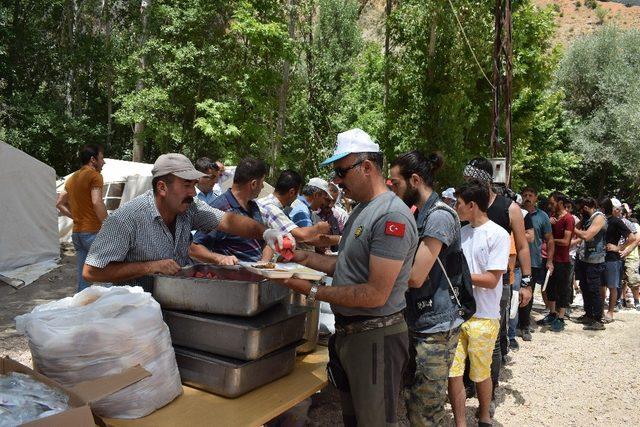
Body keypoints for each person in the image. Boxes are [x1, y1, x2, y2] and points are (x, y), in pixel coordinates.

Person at [275, 128, 418, 426]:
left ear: (367, 167)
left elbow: (374, 294)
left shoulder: (391, 216)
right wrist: (301, 257)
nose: (337, 181)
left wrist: (310, 290)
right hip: (352, 335)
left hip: (375, 337)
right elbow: (346, 265)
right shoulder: (362, 211)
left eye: (341, 171)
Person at [82, 153, 290, 290]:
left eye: (194, 185)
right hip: (137, 313)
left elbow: (228, 221)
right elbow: (91, 271)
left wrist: (267, 233)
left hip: (177, 301)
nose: (193, 192)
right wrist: (149, 267)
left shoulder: (190, 208)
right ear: (162, 188)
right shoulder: (126, 219)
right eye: (186, 185)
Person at [389, 150, 463, 426]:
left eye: (396, 183)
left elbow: (416, 276)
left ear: (415, 180)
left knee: (426, 411)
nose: (392, 188)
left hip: (436, 327)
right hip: (416, 320)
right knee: (413, 400)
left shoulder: (440, 216)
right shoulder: (418, 213)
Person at [463, 158, 531, 402]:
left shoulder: (508, 208)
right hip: (466, 286)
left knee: (493, 340)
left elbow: (523, 247)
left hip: (498, 284)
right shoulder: (465, 205)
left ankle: (488, 393)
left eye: (471, 179)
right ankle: (469, 385)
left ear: (485, 179)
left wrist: (526, 282)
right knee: (465, 335)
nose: (467, 183)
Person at [448, 180, 510, 427]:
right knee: (453, 372)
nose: (455, 207)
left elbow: (492, 279)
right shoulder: (460, 234)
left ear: (472, 205)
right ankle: (460, 422)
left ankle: (484, 414)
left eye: (459, 203)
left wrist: (457, 277)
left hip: (484, 316)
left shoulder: (498, 234)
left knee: (480, 373)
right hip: (456, 315)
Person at [190, 157, 271, 264]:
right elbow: (194, 248)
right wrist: (219, 258)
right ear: (253, 184)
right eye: (262, 182)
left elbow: (265, 242)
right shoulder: (220, 208)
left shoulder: (253, 206)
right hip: (234, 277)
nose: (263, 186)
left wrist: (264, 263)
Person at [56, 144, 108, 292]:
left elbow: (59, 203)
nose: (103, 162)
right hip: (92, 233)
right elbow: (97, 201)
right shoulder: (95, 175)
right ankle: (116, 309)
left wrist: (75, 217)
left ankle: (80, 310)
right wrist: (109, 225)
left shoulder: (72, 179)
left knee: (83, 280)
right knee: (112, 273)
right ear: (93, 160)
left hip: (77, 234)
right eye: (102, 158)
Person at [518, 186, 555, 341]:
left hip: (533, 261)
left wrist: (550, 261)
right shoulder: (516, 213)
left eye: (530, 195)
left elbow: (549, 239)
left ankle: (525, 325)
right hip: (515, 260)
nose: (527, 197)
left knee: (528, 293)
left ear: (536, 198)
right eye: (525, 195)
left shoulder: (543, 216)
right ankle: (513, 325)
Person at [256, 170, 331, 244]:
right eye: (297, 193)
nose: (297, 197)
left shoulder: (264, 202)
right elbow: (302, 236)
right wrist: (319, 228)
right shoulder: (272, 210)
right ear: (291, 192)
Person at [539, 192, 575, 332]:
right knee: (550, 287)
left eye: (552, 203)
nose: (550, 205)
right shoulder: (553, 218)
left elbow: (566, 241)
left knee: (562, 289)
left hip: (562, 260)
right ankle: (552, 313)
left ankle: (561, 317)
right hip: (550, 258)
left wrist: (551, 240)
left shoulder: (569, 219)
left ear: (560, 202)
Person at [573, 197, 607, 330]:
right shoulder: (587, 218)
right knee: (584, 287)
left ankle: (598, 319)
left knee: (594, 289)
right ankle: (588, 314)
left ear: (589, 206)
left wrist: (571, 227)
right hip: (584, 258)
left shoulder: (599, 218)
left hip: (595, 260)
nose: (581, 210)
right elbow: (578, 228)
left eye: (582, 208)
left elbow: (587, 236)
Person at [600, 198, 632, 322]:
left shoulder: (616, 221)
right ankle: (600, 310)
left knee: (612, 286)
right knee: (601, 285)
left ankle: (611, 312)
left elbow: (632, 237)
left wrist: (619, 248)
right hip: (600, 257)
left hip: (612, 258)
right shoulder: (601, 220)